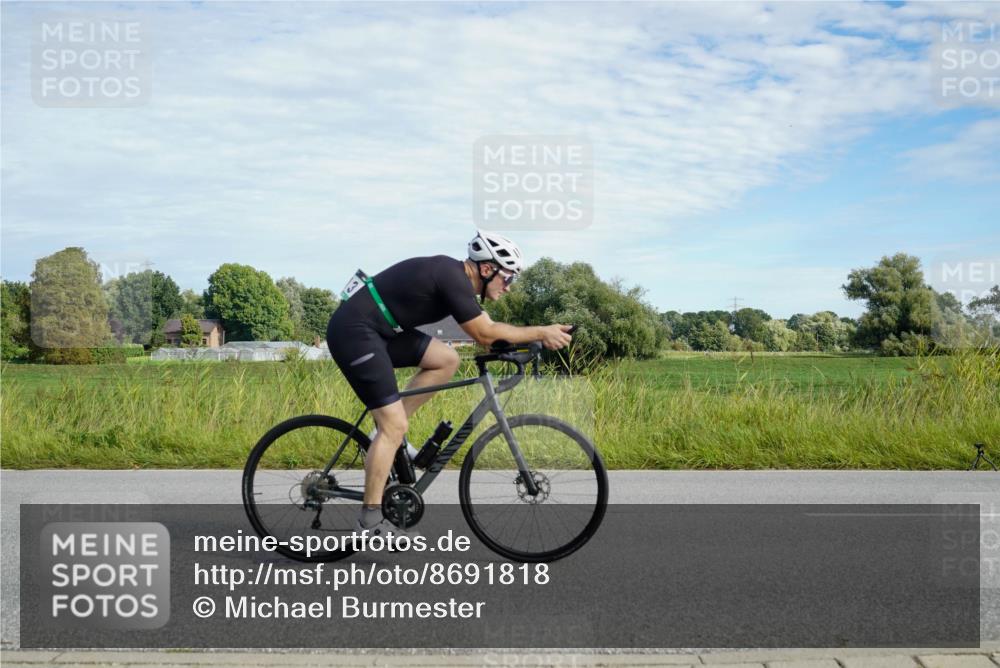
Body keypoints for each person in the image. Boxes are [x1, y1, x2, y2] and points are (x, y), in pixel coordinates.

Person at [325, 230, 574, 536]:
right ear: (487, 269)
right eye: (508, 278)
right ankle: (370, 520)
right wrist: (540, 332)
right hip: (355, 331)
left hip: (382, 330)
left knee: (447, 359)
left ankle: (385, 433)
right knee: (395, 426)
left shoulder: (457, 282)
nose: (509, 288)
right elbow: (485, 332)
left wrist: (514, 347)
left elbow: (487, 336)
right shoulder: (452, 275)